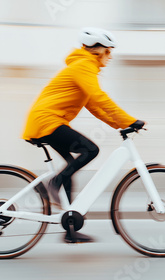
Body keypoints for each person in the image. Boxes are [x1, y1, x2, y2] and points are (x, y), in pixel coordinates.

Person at [22, 27, 145, 243]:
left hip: (48, 121)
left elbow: (94, 107)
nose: (111, 56)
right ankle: (54, 183)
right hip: (47, 121)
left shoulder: (83, 68)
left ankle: (69, 229)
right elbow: (99, 97)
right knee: (90, 150)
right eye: (109, 51)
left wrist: (119, 124)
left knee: (70, 168)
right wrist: (129, 120)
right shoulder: (84, 66)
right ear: (98, 51)